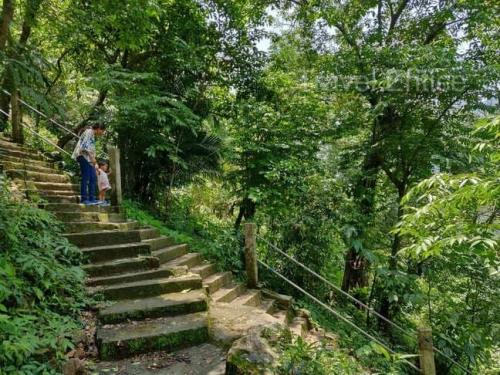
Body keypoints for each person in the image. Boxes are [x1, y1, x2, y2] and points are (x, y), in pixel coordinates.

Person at [72, 123, 105, 205]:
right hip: (83, 156)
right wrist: (92, 158)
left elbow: (90, 148)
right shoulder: (89, 132)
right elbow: (85, 147)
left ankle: (92, 198)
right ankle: (84, 199)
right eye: (102, 130)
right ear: (98, 128)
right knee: (86, 176)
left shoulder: (92, 134)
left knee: (93, 177)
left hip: (88, 159)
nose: (102, 132)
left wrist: (94, 161)